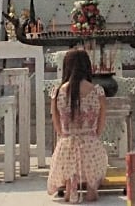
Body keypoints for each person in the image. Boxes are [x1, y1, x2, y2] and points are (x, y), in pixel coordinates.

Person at [47, 48, 108, 203]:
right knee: (91, 153)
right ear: (87, 66)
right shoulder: (97, 91)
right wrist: (93, 136)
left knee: (68, 156)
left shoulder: (58, 91)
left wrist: (66, 135)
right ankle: (91, 189)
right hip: (90, 143)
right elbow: (101, 121)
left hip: (66, 142)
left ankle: (70, 188)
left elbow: (56, 123)